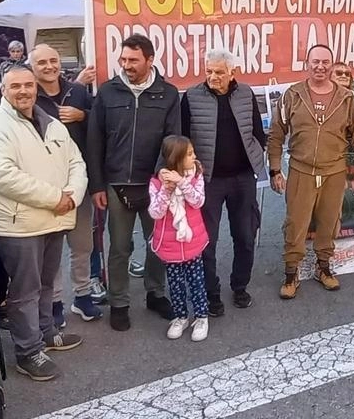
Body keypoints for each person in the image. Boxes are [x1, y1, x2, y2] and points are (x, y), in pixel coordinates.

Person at [0, 63, 87, 381]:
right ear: (3, 89)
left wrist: (73, 195)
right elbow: (2, 177)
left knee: (47, 284)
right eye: (15, 86)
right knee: (24, 292)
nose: (23, 90)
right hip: (16, 225)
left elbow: (76, 161)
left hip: (53, 220)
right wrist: (56, 198)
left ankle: (47, 333)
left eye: (28, 85)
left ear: (36, 87)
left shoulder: (52, 124)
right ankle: (28, 351)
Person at [88, 33, 179, 331]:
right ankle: (119, 302)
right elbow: (95, 140)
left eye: (133, 60)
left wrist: (161, 177)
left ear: (150, 60)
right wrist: (97, 185)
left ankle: (156, 293)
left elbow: (173, 140)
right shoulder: (107, 92)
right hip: (116, 184)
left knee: (157, 243)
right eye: (123, 59)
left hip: (154, 185)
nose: (126, 65)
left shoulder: (168, 93)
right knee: (119, 247)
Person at [267, 45, 354, 299]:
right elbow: (276, 135)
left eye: (326, 62)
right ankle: (291, 273)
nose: (320, 67)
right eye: (315, 61)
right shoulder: (292, 95)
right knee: (296, 223)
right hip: (300, 171)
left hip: (334, 171)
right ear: (307, 63)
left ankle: (323, 267)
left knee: (329, 223)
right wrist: (274, 169)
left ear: (332, 65)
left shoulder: (347, 99)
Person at [181, 48, 265, 316]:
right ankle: (211, 293)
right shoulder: (192, 97)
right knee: (207, 241)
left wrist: (255, 155)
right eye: (209, 71)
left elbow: (257, 131)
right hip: (208, 181)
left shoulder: (245, 93)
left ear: (232, 73)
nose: (212, 77)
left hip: (242, 178)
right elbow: (182, 138)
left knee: (245, 235)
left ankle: (240, 286)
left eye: (219, 72)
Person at [29, 44, 102, 325]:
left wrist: (83, 115)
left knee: (82, 244)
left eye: (53, 61)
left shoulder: (78, 91)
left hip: (79, 183)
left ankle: (82, 296)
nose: (49, 66)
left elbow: (98, 133)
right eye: (42, 62)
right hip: (46, 187)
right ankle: (55, 301)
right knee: (51, 249)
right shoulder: (29, 96)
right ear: (32, 67)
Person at [148, 136, 210, 342]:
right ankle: (180, 316)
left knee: (197, 281)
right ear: (176, 158)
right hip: (170, 243)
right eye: (190, 154)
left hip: (192, 240)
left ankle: (201, 316)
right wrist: (167, 189)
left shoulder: (196, 176)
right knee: (175, 283)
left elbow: (198, 201)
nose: (194, 157)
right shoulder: (157, 181)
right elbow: (155, 213)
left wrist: (182, 182)